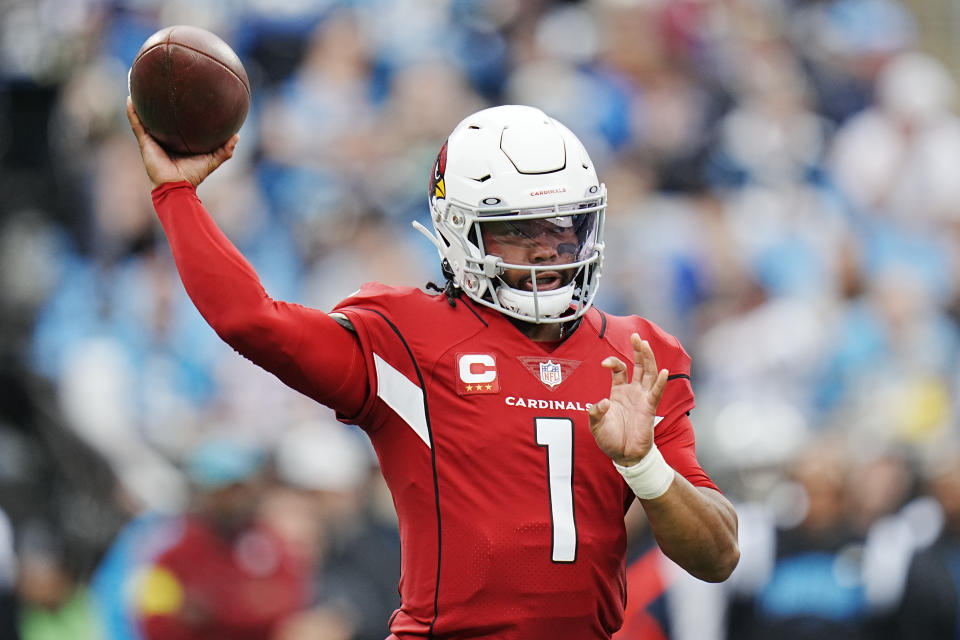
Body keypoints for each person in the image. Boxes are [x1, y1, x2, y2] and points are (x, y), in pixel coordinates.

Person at [126, 98, 739, 639]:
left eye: (566, 226)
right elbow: (251, 321)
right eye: (519, 231)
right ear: (460, 233)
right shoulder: (406, 337)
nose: (550, 251)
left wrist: (645, 465)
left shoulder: (635, 356)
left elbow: (718, 556)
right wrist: (177, 195)